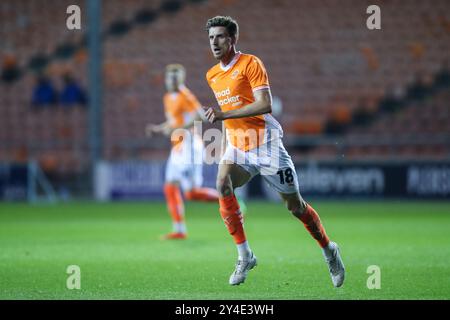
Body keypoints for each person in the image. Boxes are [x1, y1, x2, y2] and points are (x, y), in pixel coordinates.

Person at [203, 16, 345, 286]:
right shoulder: (212, 74)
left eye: (220, 36)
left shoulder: (251, 63)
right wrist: (224, 146)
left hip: (266, 145)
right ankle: (245, 255)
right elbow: (228, 120)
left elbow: (264, 104)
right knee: (222, 183)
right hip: (238, 144)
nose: (214, 42)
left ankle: (329, 249)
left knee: (296, 207)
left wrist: (223, 115)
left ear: (232, 39)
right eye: (211, 38)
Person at [146, 64, 220, 240]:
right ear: (165, 79)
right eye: (169, 77)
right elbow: (173, 122)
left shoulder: (185, 95)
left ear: (181, 78)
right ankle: (179, 229)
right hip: (177, 147)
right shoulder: (167, 97)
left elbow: (201, 117)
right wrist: (158, 129)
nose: (172, 80)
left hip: (189, 145)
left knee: (191, 193)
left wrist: (177, 128)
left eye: (175, 77)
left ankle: (231, 200)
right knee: (170, 186)